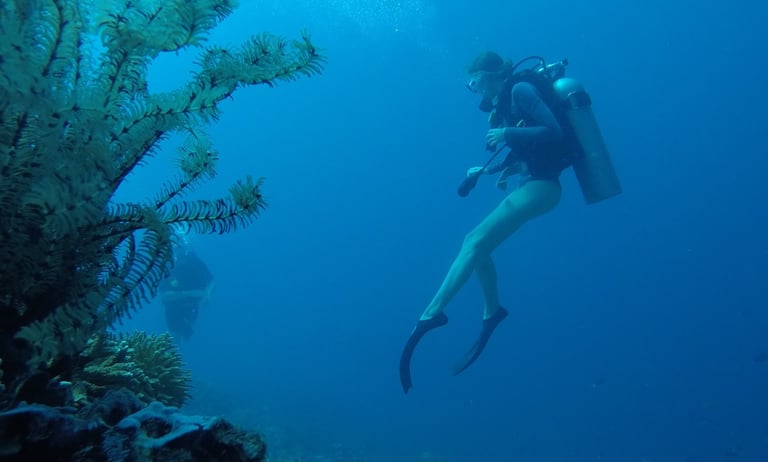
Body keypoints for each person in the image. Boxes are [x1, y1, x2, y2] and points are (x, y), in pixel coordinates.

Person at [399, 51, 585, 394]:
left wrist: (506, 134)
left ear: (491, 75)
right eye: (471, 84)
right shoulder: (509, 104)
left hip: (544, 188)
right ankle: (492, 311)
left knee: (472, 241)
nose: (475, 89)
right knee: (480, 248)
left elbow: (554, 131)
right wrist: (487, 170)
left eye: (475, 81)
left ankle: (431, 314)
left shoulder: (521, 91)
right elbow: (526, 150)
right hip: (533, 183)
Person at [158, 240, 215, 340]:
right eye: (176, 248)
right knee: (174, 337)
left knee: (186, 334)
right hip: (173, 307)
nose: (178, 250)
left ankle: (186, 329)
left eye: (181, 247)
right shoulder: (168, 265)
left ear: (185, 247)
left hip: (191, 305)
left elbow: (211, 280)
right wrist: (190, 294)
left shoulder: (194, 260)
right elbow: (164, 296)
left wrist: (207, 295)